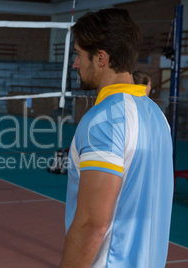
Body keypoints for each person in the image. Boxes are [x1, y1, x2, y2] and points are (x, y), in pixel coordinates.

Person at [60, 8, 173, 268]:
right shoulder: (158, 116)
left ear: (101, 58)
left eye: (78, 54)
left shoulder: (103, 121)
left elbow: (92, 224)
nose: (75, 64)